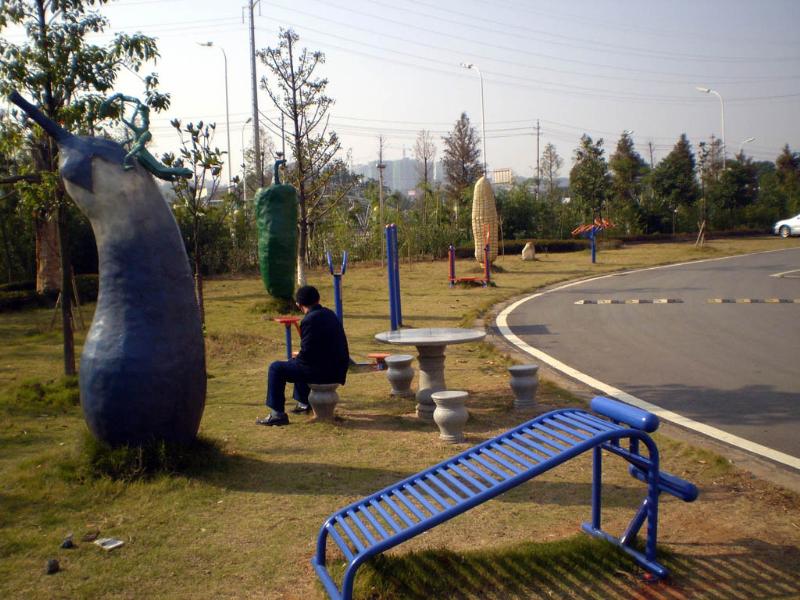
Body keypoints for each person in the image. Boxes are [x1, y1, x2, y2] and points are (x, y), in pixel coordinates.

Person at [257, 285, 350, 426]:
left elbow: (307, 355)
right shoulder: (330, 314)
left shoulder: (309, 320)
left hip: (323, 372)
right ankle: (303, 403)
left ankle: (277, 414)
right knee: (298, 363)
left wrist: (294, 361)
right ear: (318, 299)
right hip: (338, 370)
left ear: (299, 305)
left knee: (276, 368)